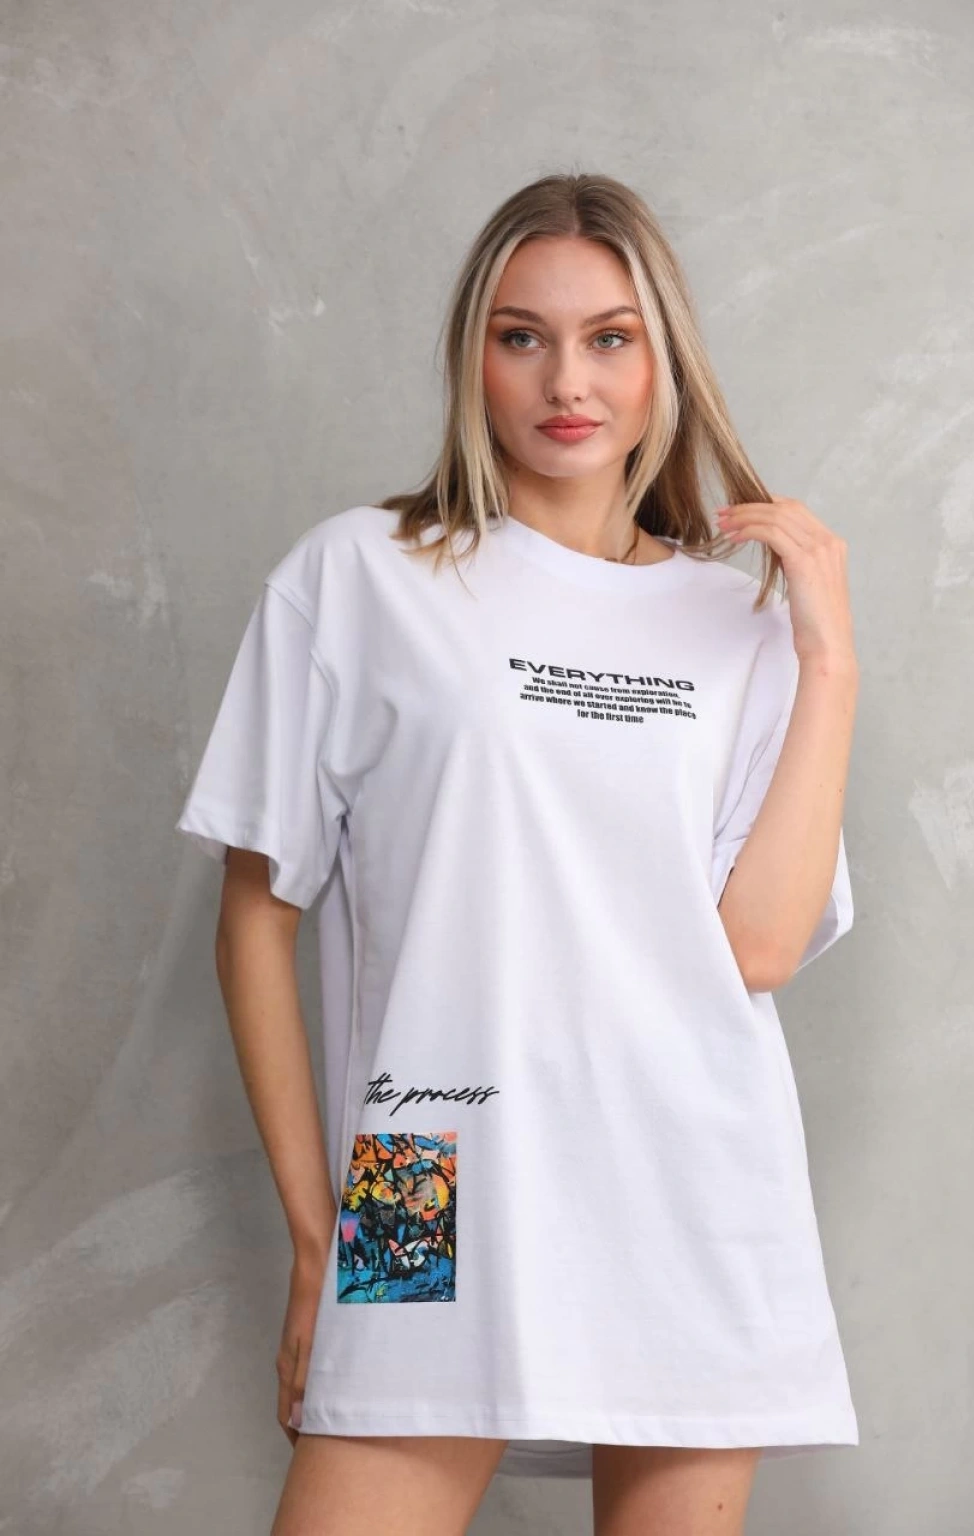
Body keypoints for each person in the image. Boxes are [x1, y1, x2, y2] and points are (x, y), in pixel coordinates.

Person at [175, 171, 861, 1536]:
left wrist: (829, 657)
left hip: (691, 1174)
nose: (568, 381)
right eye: (521, 336)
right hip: (420, 1174)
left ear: (665, 361)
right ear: (471, 358)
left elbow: (759, 948)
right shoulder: (361, 575)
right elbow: (257, 916)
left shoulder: (738, 627)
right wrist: (320, 1239)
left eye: (611, 337)